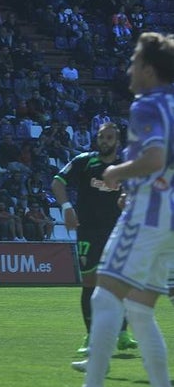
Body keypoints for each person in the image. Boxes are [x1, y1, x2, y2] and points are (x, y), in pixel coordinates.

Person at [45, 32, 174, 387]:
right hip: (167, 214)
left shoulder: (147, 105)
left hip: (145, 216)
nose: (128, 69)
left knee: (104, 295)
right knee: (138, 308)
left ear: (149, 71)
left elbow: (153, 157)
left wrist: (119, 173)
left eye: (134, 62)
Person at [51, 120, 137, 364]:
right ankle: (90, 336)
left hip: (119, 231)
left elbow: (134, 193)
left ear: (117, 142)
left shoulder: (125, 166)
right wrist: (67, 207)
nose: (105, 141)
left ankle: (122, 333)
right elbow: (58, 182)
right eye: (101, 137)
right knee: (89, 282)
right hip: (88, 231)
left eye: (109, 138)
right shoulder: (84, 161)